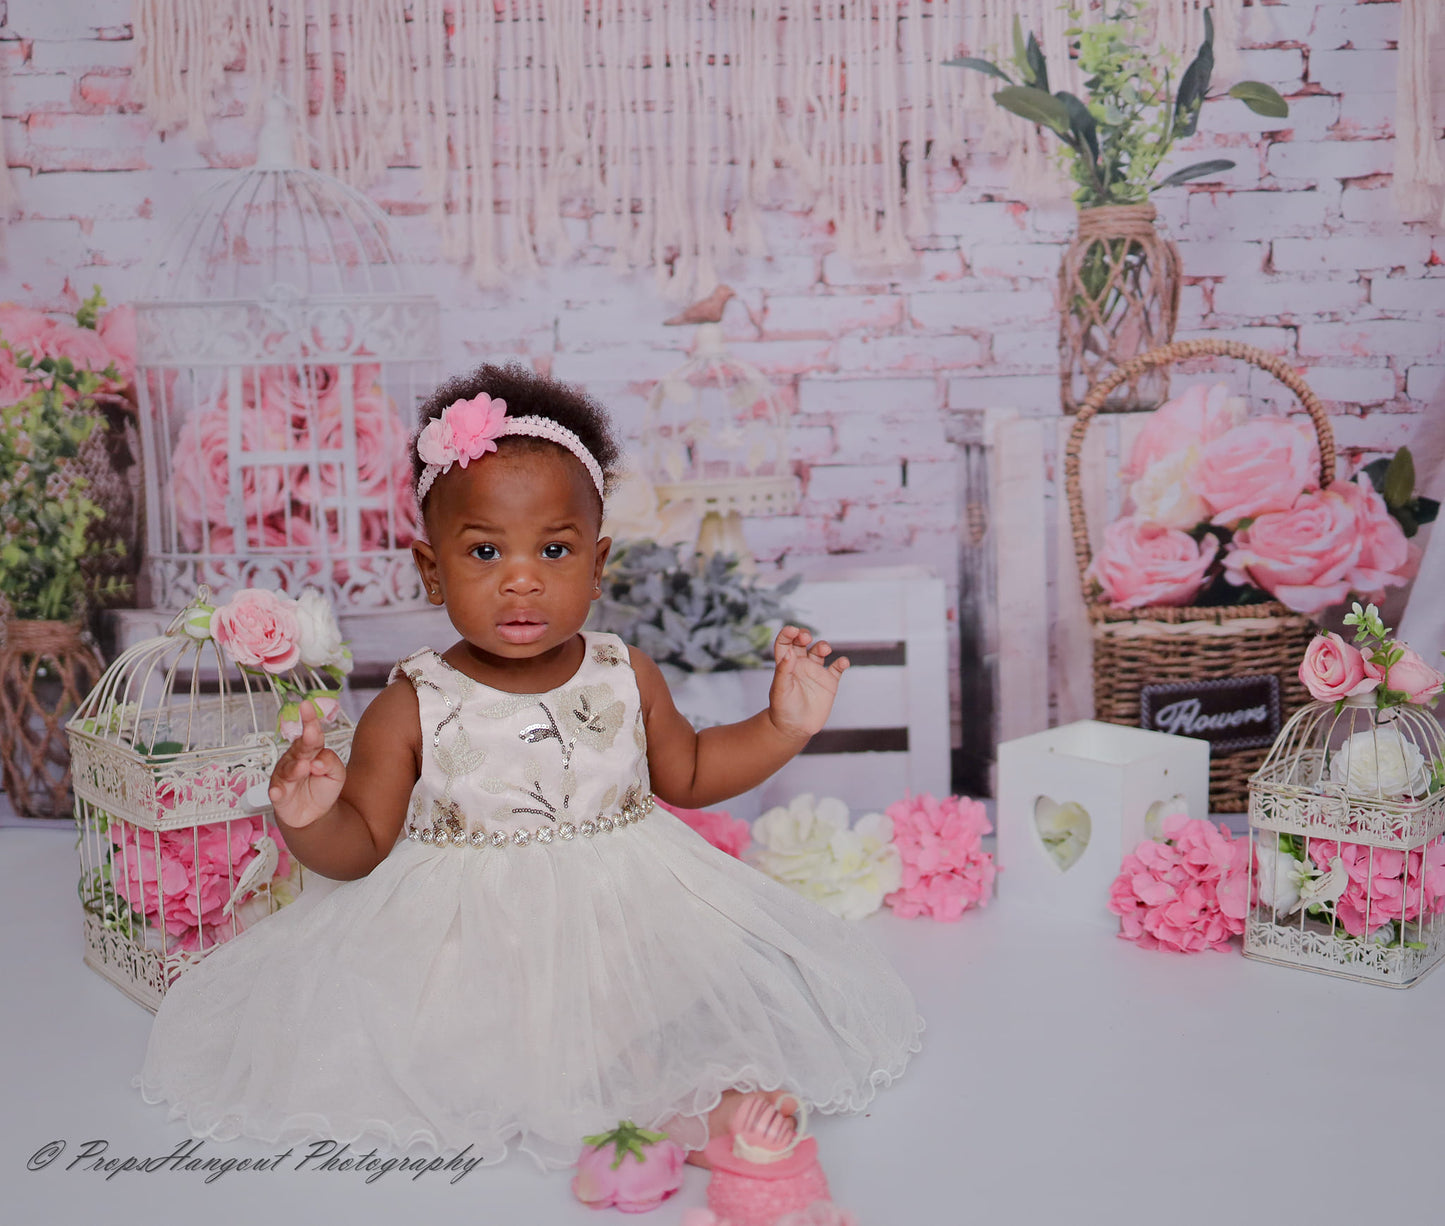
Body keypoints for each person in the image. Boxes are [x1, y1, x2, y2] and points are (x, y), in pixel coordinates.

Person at [138, 363, 922, 1172]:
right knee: (485, 1053)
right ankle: (648, 1117)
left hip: (622, 928)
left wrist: (781, 725)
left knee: (673, 1017)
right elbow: (360, 846)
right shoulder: (412, 703)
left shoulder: (623, 672)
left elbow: (689, 773)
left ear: (597, 563)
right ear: (431, 569)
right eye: (484, 551)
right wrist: (309, 820)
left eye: (554, 549)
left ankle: (676, 1103)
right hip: (479, 953)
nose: (521, 578)